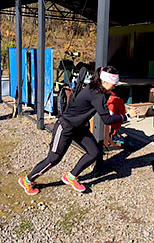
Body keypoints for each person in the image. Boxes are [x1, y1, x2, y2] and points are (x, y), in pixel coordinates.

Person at [18, 66, 138, 195]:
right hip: (66, 127)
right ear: (104, 82)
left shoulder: (95, 88)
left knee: (94, 152)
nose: (114, 87)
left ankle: (71, 176)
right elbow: (107, 120)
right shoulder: (98, 95)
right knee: (54, 158)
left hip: (79, 127)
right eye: (113, 84)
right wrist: (127, 115)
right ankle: (27, 180)